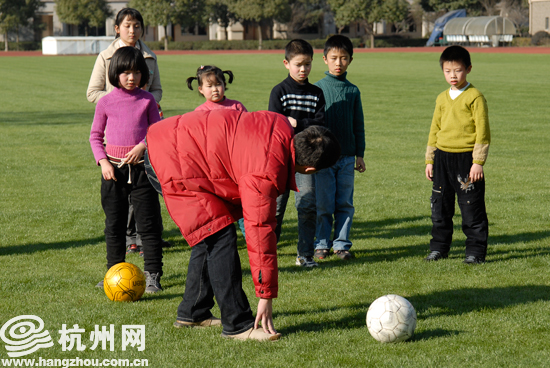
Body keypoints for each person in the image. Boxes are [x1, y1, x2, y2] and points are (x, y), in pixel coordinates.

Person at [146, 110, 340, 340]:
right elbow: (259, 233)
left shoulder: (278, 124)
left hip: (171, 142)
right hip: (172, 160)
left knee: (210, 234)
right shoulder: (266, 171)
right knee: (220, 237)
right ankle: (238, 325)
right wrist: (265, 296)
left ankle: (193, 311)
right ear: (309, 170)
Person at [86, 7, 169, 255]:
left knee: (145, 193)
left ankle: (147, 240)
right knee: (119, 201)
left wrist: (144, 100)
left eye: (137, 26)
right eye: (127, 26)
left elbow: (157, 90)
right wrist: (120, 101)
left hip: (144, 130)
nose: (132, 30)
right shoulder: (106, 56)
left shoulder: (150, 56)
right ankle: (129, 238)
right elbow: (93, 92)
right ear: (117, 28)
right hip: (116, 134)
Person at [90, 47, 164, 292]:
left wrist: (142, 146)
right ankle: (114, 271)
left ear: (143, 74)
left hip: (143, 170)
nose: (131, 77)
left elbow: (158, 132)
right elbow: (95, 136)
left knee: (149, 224)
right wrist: (103, 162)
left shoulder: (147, 100)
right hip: (113, 171)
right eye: (125, 73)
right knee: (115, 224)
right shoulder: (106, 101)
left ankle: (153, 274)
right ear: (115, 73)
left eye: (136, 72)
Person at [424, 45, 491, 264]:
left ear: (469, 69)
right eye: (448, 71)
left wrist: (478, 162)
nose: (453, 75)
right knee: (440, 208)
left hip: (466, 161)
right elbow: (434, 129)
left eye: (458, 70)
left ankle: (475, 252)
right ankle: (439, 248)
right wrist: (430, 159)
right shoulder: (442, 98)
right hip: (442, 158)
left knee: (471, 208)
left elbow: (483, 132)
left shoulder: (475, 97)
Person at [268, 39, 325, 268]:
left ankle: (305, 254)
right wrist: (294, 125)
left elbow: (321, 124)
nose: (303, 69)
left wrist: (297, 122)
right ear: (286, 63)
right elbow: (274, 125)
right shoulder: (279, 92)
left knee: (308, 204)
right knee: (276, 208)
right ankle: (268, 253)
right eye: (298, 64)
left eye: (308, 64)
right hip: (281, 159)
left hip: (306, 161)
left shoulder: (316, 93)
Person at [313, 35, 366, 261]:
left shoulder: (353, 91)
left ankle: (342, 245)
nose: (338, 63)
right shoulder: (316, 89)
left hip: (346, 157)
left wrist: (360, 154)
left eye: (343, 58)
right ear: (324, 59)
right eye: (333, 58)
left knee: (344, 202)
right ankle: (322, 244)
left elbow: (358, 125)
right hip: (324, 159)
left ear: (350, 60)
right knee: (324, 203)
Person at [187, 65, 248, 238]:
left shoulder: (236, 106)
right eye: (209, 86)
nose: (215, 89)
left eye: (218, 84)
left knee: (243, 203)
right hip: (214, 169)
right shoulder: (199, 113)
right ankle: (224, 239)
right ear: (200, 89)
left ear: (224, 84)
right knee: (219, 206)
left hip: (237, 166)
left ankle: (249, 236)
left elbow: (248, 132)